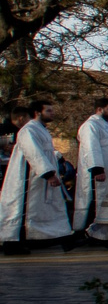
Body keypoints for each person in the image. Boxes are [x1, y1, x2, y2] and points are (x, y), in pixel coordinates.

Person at [1, 98, 74, 251]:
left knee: (47, 209)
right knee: (23, 209)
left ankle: (56, 238)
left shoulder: (41, 129)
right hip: (29, 181)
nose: (52, 113)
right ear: (37, 113)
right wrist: (48, 173)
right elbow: (34, 153)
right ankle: (14, 242)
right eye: (48, 110)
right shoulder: (29, 130)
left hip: (40, 181)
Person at [74, 97, 108, 242]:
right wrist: (97, 169)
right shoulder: (90, 126)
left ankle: (106, 232)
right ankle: (90, 232)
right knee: (95, 201)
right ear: (100, 109)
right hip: (98, 174)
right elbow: (91, 148)